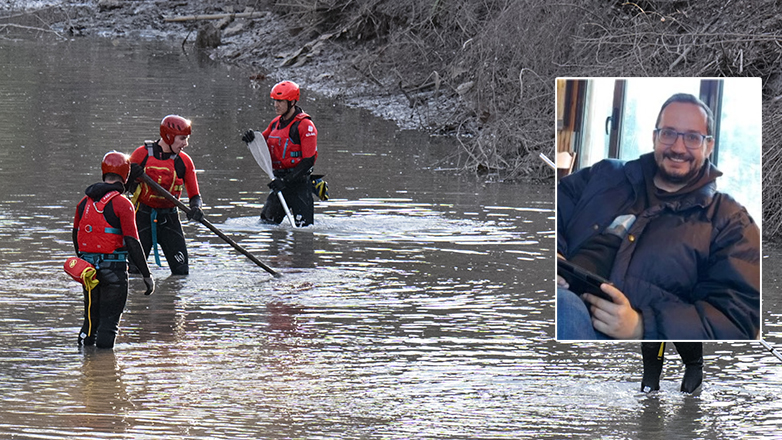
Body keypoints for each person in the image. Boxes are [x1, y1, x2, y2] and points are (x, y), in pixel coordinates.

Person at [556, 92, 760, 340]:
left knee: (563, 306)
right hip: (557, 293)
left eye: (692, 138)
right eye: (669, 133)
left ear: (709, 146)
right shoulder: (604, 174)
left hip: (617, 344)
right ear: (654, 137)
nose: (678, 147)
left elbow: (739, 320)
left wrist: (643, 327)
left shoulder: (732, 222)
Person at [73, 151, 155, 349]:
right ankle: (103, 373)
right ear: (125, 175)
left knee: (90, 323)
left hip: (89, 273)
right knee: (109, 327)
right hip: (115, 273)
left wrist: (86, 262)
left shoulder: (83, 203)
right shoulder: (122, 204)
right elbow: (133, 242)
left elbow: (76, 237)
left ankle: (85, 364)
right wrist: (146, 275)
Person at [128, 115, 203, 275]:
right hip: (142, 217)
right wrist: (131, 176)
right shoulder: (141, 155)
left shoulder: (184, 162)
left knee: (181, 273)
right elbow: (123, 188)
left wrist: (196, 208)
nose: (185, 144)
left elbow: (195, 195)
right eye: (182, 139)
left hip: (170, 220)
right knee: (133, 274)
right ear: (169, 136)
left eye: (187, 139)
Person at [242, 80, 318, 226]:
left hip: (299, 185)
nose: (276, 105)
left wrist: (286, 181)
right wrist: (250, 139)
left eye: (280, 101)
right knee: (266, 224)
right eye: (275, 101)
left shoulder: (305, 125)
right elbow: (261, 144)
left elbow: (309, 160)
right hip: (279, 183)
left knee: (303, 230)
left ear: (292, 102)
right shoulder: (275, 123)